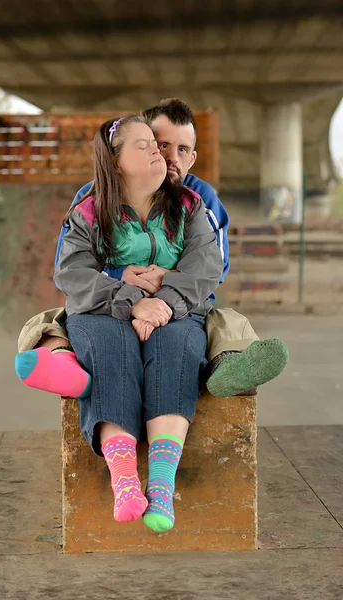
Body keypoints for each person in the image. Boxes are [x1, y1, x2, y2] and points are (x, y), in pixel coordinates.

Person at [15, 98, 288, 399]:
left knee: (227, 322)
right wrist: (126, 282)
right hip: (112, 301)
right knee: (50, 320)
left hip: (182, 301)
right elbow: (71, 269)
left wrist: (166, 280)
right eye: (160, 144)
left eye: (182, 149)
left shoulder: (198, 199)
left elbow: (214, 267)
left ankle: (227, 370)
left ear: (193, 157)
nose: (170, 157)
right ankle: (63, 364)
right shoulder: (94, 197)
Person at [54, 113, 224, 532]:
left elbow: (207, 267)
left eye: (160, 144)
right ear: (115, 162)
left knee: (178, 346)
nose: (159, 152)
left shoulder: (189, 205)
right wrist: (131, 301)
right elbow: (71, 273)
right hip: (104, 310)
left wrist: (164, 300)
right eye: (145, 144)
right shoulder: (89, 209)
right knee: (113, 348)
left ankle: (162, 487)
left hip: (175, 310)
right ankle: (126, 479)